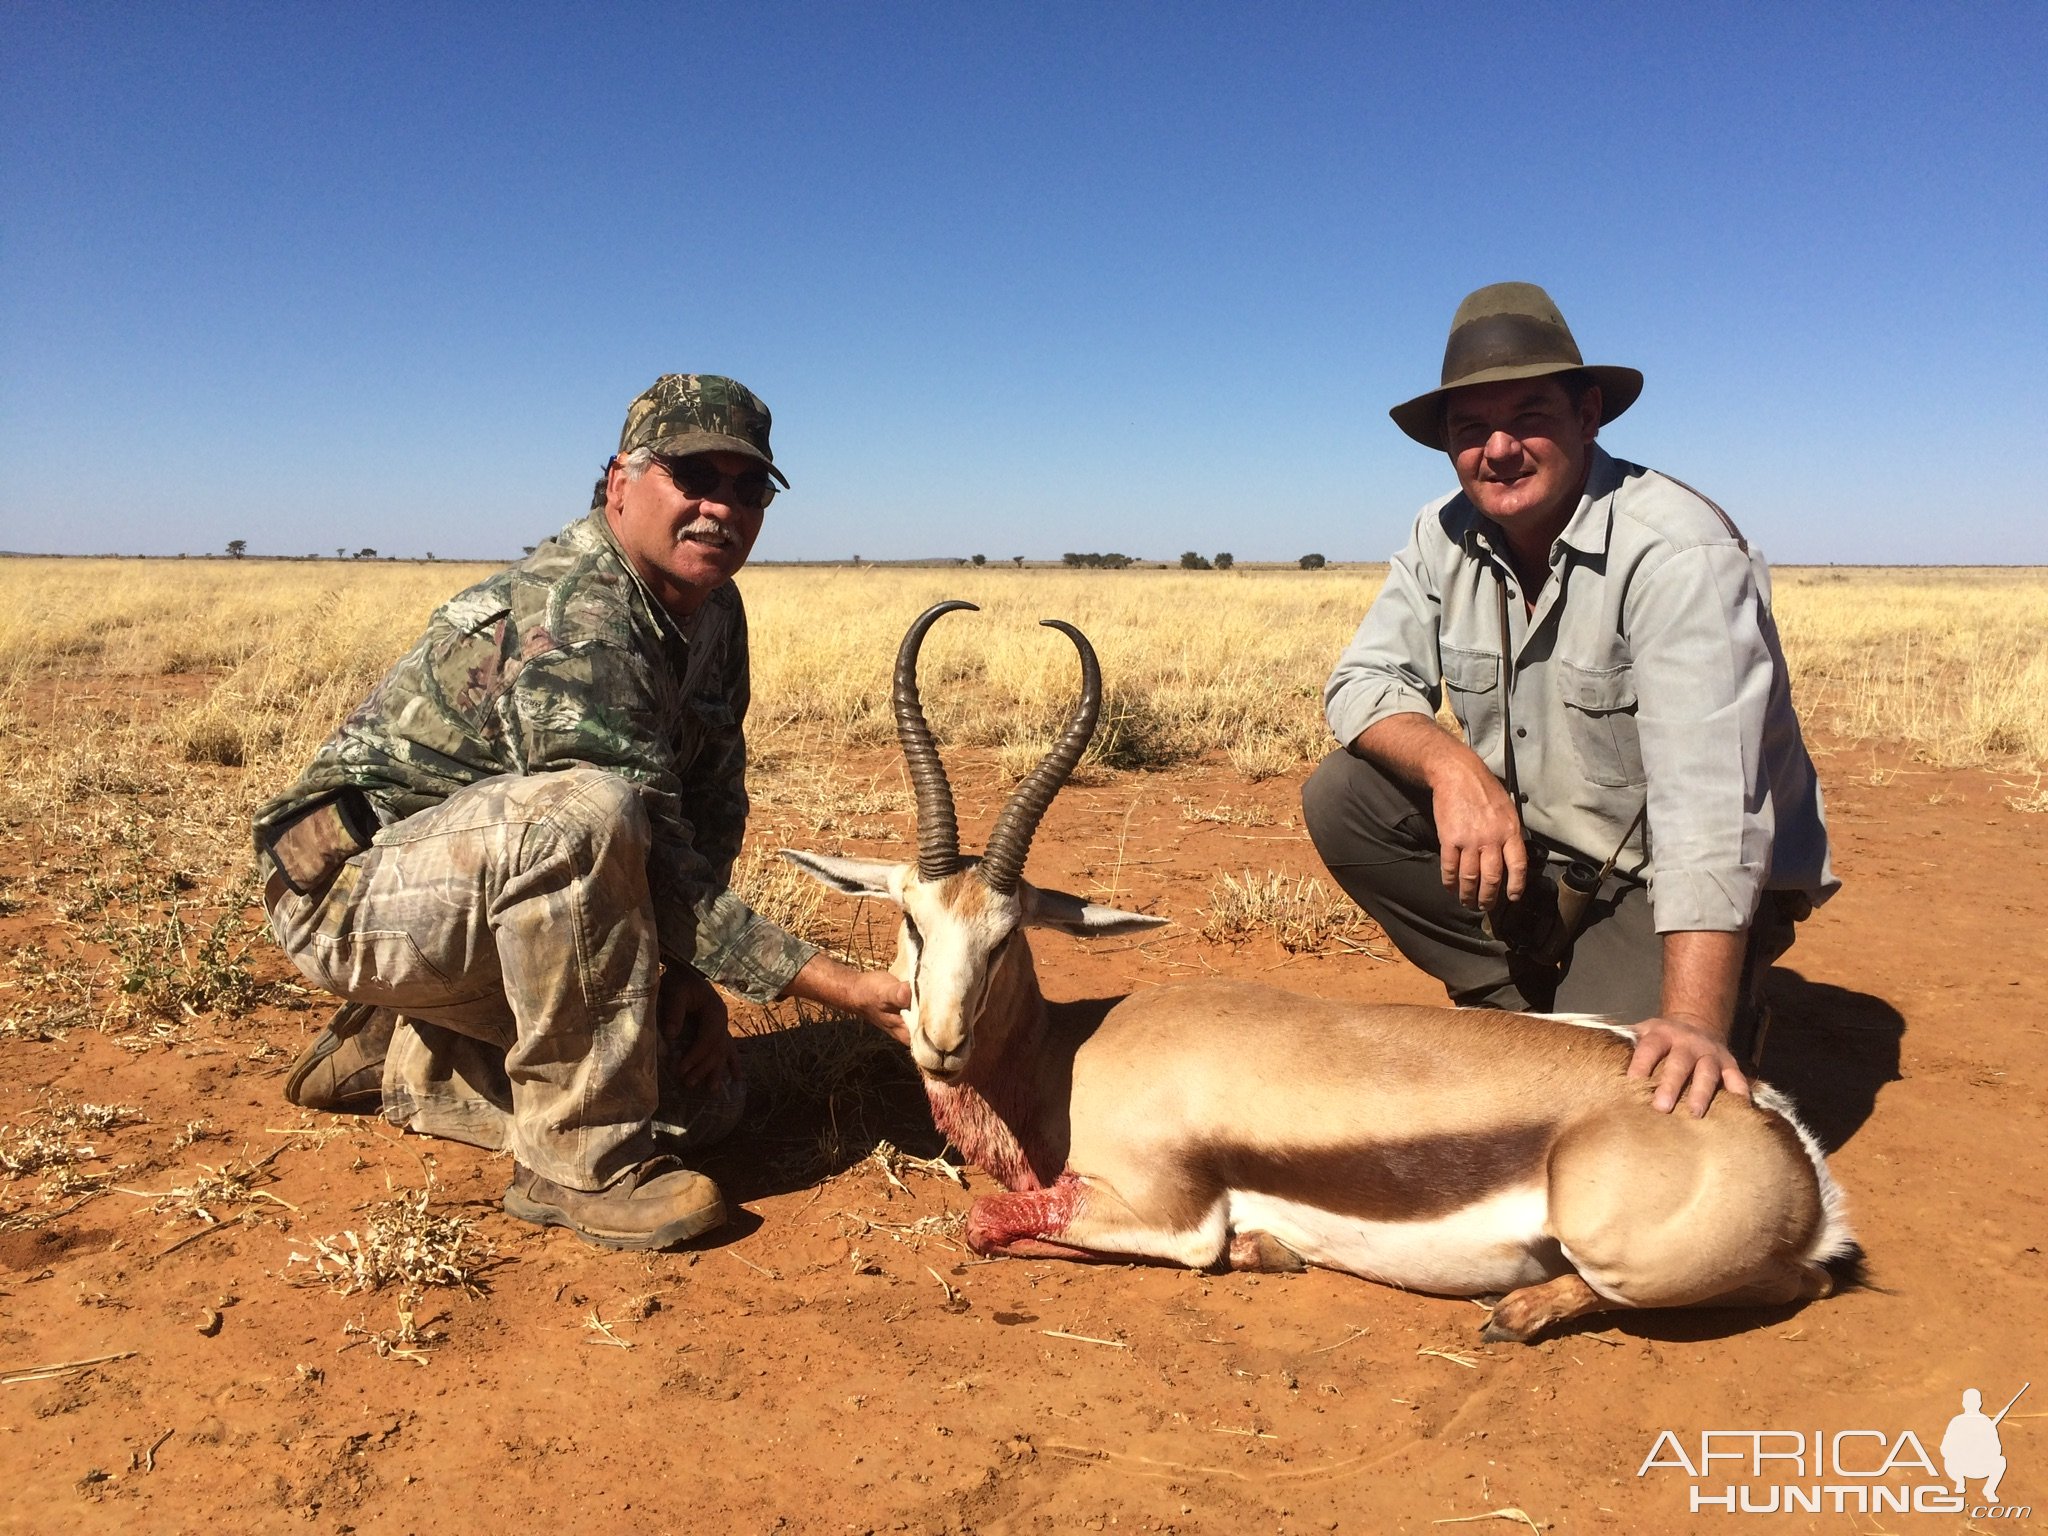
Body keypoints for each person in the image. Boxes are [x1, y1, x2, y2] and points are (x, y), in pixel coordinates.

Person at [254, 374, 910, 1251]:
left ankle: (407, 1056)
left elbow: (705, 805)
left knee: (701, 1105)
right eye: (694, 478)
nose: (722, 507)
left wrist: (686, 978)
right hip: (350, 892)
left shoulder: (715, 610)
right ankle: (577, 1166)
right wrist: (840, 986)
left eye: (747, 488)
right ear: (619, 484)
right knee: (585, 812)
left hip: (492, 896)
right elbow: (617, 839)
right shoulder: (575, 613)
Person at [1302, 283, 1837, 1118]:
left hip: (1667, 880)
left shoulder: (1676, 551)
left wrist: (1693, 1020)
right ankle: (1512, 1007)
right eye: (1470, 428)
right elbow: (1359, 683)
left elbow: (1711, 807)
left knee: (1625, 1111)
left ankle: (1718, 1007)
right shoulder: (1438, 534)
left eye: (1529, 415)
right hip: (1540, 853)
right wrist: (1454, 770)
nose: (1500, 448)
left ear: (1589, 415)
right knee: (1346, 796)